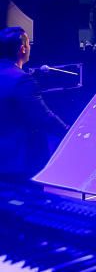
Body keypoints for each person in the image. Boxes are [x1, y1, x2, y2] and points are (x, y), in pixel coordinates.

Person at [0, 27, 67, 183]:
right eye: (29, 44)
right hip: (18, 161)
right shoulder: (22, 80)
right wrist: (69, 134)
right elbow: (43, 117)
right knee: (29, 204)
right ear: (22, 49)